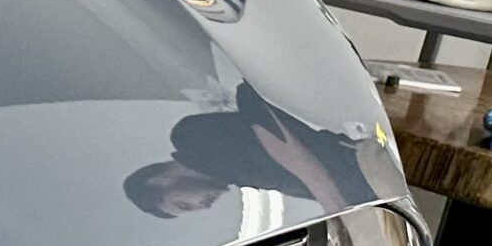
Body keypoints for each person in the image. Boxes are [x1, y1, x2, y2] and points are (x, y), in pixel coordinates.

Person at [124, 85, 375, 218]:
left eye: (184, 205)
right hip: (374, 194)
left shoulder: (189, 138)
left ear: (158, 180)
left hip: (371, 159)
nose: (204, 207)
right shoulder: (237, 180)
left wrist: (332, 203)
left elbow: (257, 107)